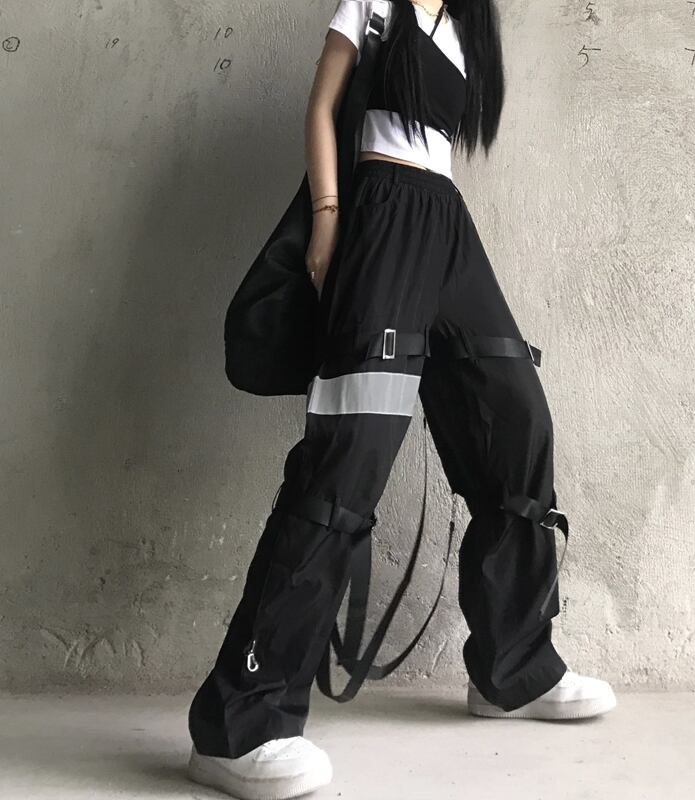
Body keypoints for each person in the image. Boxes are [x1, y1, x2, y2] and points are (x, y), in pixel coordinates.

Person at [187, 1, 617, 798]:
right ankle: (240, 723)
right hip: (378, 214)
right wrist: (328, 218)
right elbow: (322, 105)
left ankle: (513, 669)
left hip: (446, 223)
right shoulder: (374, 5)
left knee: (516, 422)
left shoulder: (468, 27)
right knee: (350, 454)